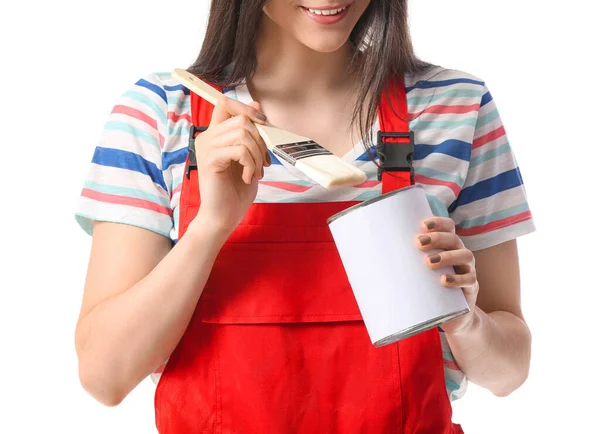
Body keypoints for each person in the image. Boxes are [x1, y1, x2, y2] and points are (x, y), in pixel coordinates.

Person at [74, 0, 535, 432]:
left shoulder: (456, 107)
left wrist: (463, 318)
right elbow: (105, 376)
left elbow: (509, 372)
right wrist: (211, 225)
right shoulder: (159, 116)